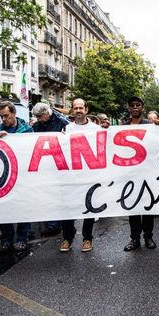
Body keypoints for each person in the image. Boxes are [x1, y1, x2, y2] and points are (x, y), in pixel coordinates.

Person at [59, 99, 100, 253]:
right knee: (68, 207)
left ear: (86, 110)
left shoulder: (96, 128)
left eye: (80, 108)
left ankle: (87, 238)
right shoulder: (66, 129)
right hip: (70, 176)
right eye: (75, 108)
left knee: (88, 206)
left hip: (88, 176)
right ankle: (67, 238)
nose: (78, 110)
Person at [0, 101, 33, 252]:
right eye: (1, 116)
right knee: (4, 209)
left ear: (14, 113)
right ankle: (6, 239)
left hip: (22, 176)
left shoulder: (28, 130)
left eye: (6, 116)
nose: (4, 119)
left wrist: (12, 137)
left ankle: (22, 238)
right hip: (4, 177)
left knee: (23, 207)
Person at [122, 96, 158, 251]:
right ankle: (134, 239)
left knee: (147, 207)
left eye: (138, 105)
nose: (135, 107)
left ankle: (148, 237)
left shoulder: (150, 125)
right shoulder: (122, 127)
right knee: (133, 208)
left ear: (143, 107)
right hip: (130, 174)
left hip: (147, 173)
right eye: (132, 105)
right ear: (129, 108)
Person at [31, 102, 69, 238]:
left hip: (60, 164)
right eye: (37, 116)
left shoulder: (62, 123)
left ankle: (57, 224)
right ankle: (55, 223)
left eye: (40, 116)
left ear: (47, 113)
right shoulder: (37, 126)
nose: (39, 119)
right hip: (45, 165)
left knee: (59, 194)